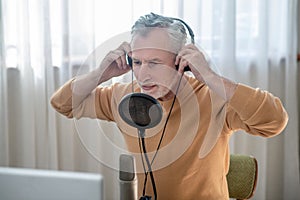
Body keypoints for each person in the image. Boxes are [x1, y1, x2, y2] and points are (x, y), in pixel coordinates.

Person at [51, 13, 288, 199]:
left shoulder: (212, 98)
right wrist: (99, 74)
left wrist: (209, 76)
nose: (143, 74)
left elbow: (275, 121)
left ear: (181, 63)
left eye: (154, 63)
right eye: (137, 62)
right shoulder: (126, 97)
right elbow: (62, 104)